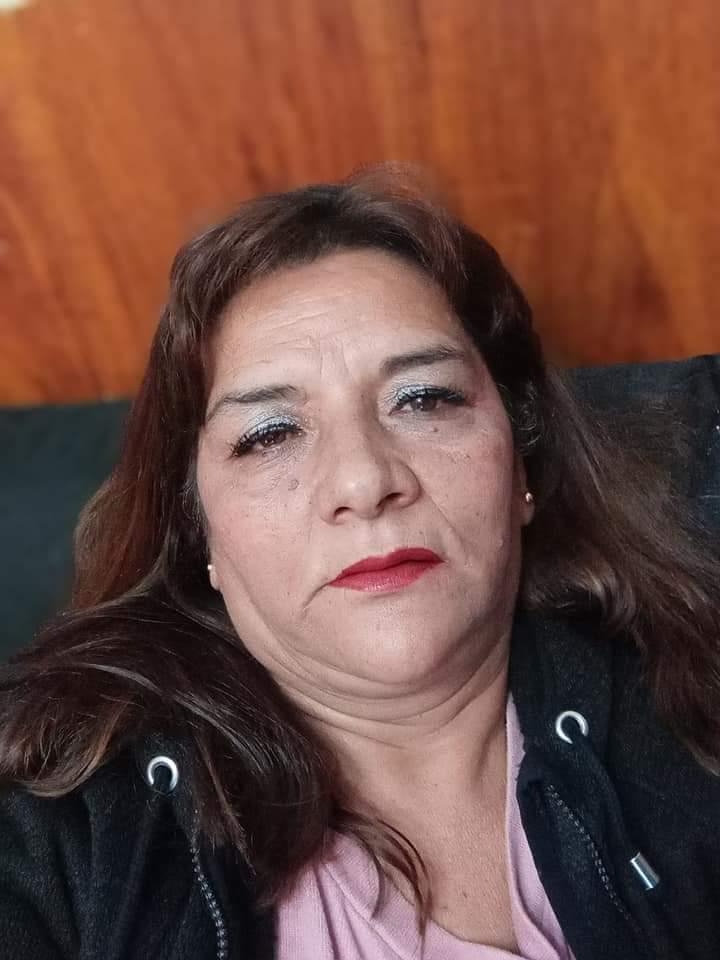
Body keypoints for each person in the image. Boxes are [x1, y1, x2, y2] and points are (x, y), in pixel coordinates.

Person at [1, 168, 719, 960]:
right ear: (200, 534)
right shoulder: (58, 834)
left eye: (424, 399)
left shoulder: (694, 710)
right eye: (270, 434)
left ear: (522, 463)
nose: (365, 482)